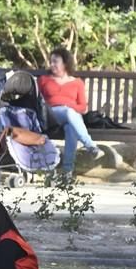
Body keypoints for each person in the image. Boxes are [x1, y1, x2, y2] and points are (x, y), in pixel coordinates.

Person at [37, 46, 100, 175]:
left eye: (56, 61)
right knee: (68, 112)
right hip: (50, 115)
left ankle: (67, 171)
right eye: (51, 61)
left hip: (71, 118)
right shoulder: (44, 80)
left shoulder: (77, 83)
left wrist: (69, 109)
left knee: (71, 128)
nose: (52, 64)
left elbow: (82, 107)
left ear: (65, 63)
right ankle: (90, 145)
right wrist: (67, 109)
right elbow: (38, 102)